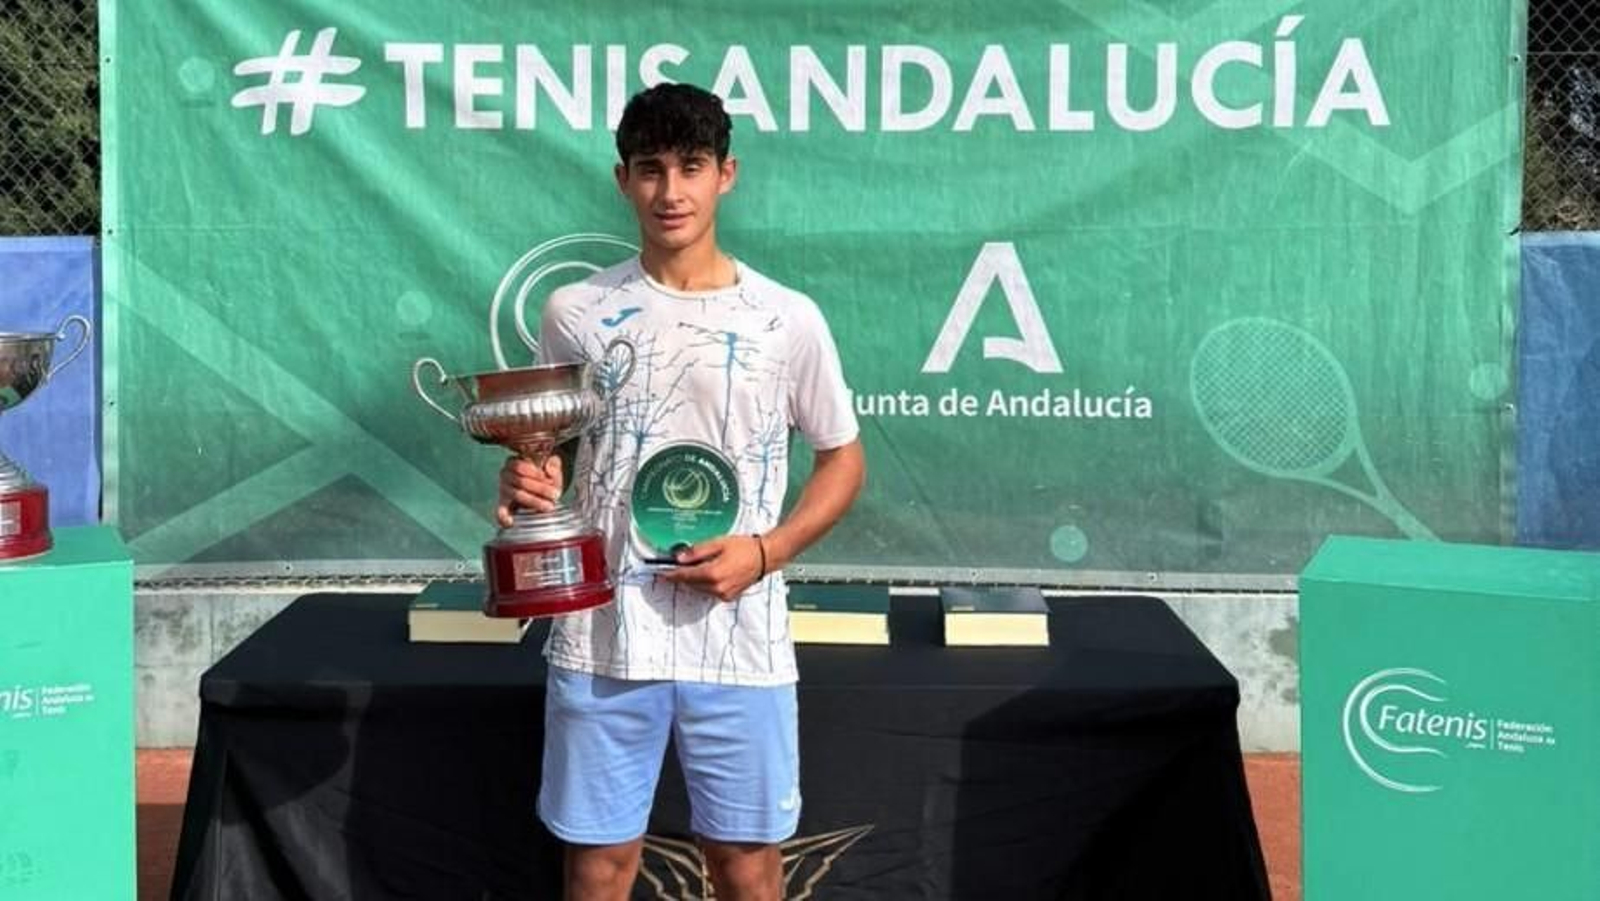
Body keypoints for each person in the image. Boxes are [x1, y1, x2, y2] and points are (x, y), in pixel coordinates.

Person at [496, 82, 866, 901]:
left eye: (691, 166)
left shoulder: (787, 318)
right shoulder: (576, 311)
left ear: (726, 175)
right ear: (621, 179)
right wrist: (528, 485)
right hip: (604, 636)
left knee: (745, 865)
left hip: (741, 638)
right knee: (597, 867)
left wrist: (766, 552)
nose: (672, 191)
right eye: (651, 168)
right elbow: (547, 459)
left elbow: (843, 460)